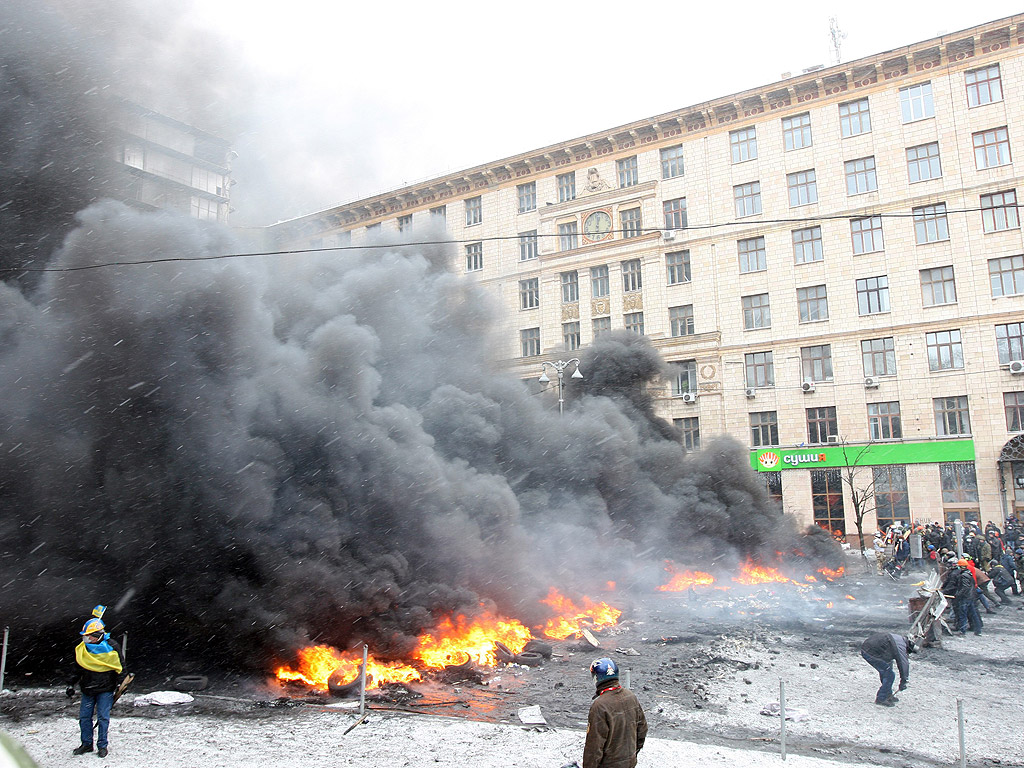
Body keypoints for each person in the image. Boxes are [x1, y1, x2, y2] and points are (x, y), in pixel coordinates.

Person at [67, 606, 123, 759]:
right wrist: (70, 684)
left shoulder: (112, 647)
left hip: (105, 689)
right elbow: (77, 668)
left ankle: (102, 746)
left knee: (103, 718)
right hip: (87, 689)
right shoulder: (83, 649)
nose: (86, 639)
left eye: (88, 636)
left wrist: (121, 684)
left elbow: (120, 667)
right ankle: (86, 744)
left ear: (98, 635)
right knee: (84, 717)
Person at [583, 658, 647, 768]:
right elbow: (642, 730)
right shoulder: (630, 696)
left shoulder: (600, 706)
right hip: (629, 763)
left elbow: (594, 747)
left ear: (596, 678)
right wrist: (632, 755)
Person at [860, 633, 915, 707]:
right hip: (870, 652)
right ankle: (881, 698)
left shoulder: (899, 640)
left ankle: (888, 694)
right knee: (889, 675)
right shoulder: (900, 646)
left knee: (887, 669)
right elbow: (903, 663)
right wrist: (904, 680)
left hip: (872, 649)